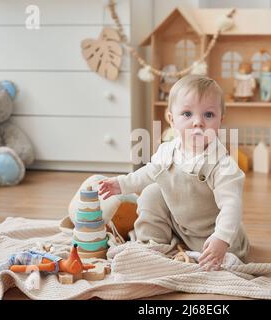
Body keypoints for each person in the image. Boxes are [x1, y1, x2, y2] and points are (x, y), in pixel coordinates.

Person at [99, 74, 249, 271]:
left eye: (208, 115)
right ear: (171, 119)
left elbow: (232, 206)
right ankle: (151, 244)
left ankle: (215, 250)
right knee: (152, 192)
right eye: (187, 114)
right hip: (182, 228)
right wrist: (122, 184)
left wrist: (221, 238)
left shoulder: (222, 165)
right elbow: (147, 173)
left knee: (225, 261)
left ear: (220, 120)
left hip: (214, 237)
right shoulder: (168, 151)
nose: (198, 122)